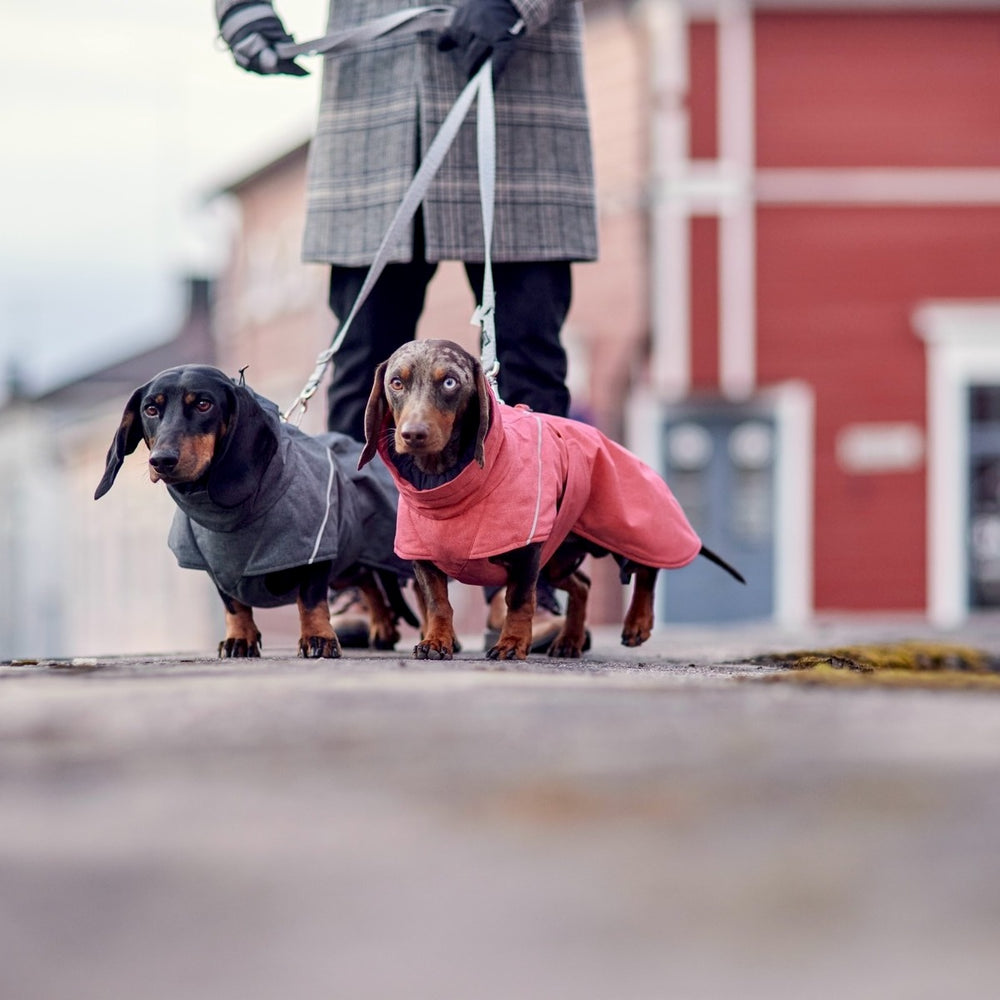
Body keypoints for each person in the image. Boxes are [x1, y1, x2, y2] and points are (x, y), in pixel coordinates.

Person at [215, 0, 598, 649]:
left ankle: (529, 589)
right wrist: (244, 13)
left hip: (516, 85)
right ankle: (355, 583)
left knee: (529, 362)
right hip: (377, 103)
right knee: (363, 369)